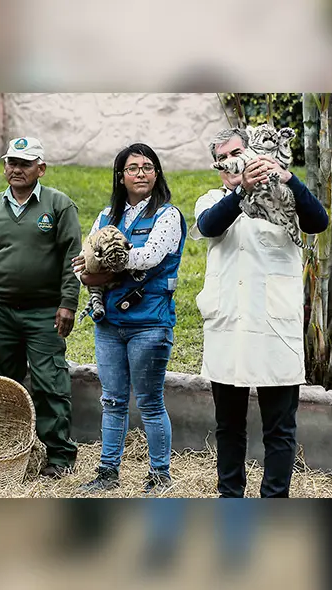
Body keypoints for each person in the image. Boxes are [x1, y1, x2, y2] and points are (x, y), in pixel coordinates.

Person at [191, 127, 329, 497]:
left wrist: (287, 178)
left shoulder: (284, 195)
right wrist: (241, 192)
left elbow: (318, 222)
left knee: (279, 429)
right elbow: (209, 227)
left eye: (237, 152)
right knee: (228, 425)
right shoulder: (211, 200)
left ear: (252, 153)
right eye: (222, 158)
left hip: (274, 328)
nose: (230, 162)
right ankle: (230, 499)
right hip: (228, 327)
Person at [0, 136, 82, 478]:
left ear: (40, 169)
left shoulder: (59, 205)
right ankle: (4, 452)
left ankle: (59, 456)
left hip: (45, 312)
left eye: (25, 164)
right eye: (11, 163)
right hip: (1, 312)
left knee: (49, 383)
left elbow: (72, 259)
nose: (16, 169)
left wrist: (68, 303)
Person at [73, 143, 186, 493]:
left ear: (157, 174)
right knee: (112, 401)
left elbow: (149, 257)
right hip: (109, 323)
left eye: (148, 167)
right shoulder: (107, 215)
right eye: (133, 168)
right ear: (120, 176)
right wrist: (89, 271)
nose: (140, 173)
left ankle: (160, 475)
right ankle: (107, 473)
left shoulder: (167, 215)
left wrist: (102, 270)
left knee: (150, 402)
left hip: (149, 323)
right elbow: (83, 262)